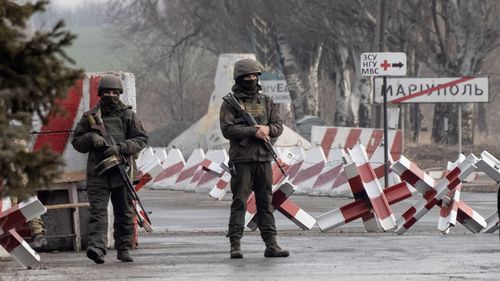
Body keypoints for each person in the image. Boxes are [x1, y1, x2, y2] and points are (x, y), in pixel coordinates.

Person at [71, 74, 148, 264]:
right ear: (100, 94)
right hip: (99, 171)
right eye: (106, 92)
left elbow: (141, 139)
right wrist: (91, 138)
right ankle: (97, 248)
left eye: (114, 92)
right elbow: (77, 142)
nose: (110, 95)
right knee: (98, 211)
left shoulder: (128, 115)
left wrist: (120, 147)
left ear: (120, 94)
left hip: (122, 169)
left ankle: (123, 248)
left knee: (124, 211)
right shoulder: (90, 117)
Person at [219, 58, 289, 259]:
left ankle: (271, 244)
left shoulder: (266, 101)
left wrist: (267, 129)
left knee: (265, 203)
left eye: (254, 76)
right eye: (247, 76)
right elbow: (227, 129)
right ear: (239, 78)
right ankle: (235, 244)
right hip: (242, 160)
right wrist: (253, 131)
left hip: (263, 158)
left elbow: (278, 125)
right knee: (239, 201)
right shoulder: (230, 103)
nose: (251, 79)